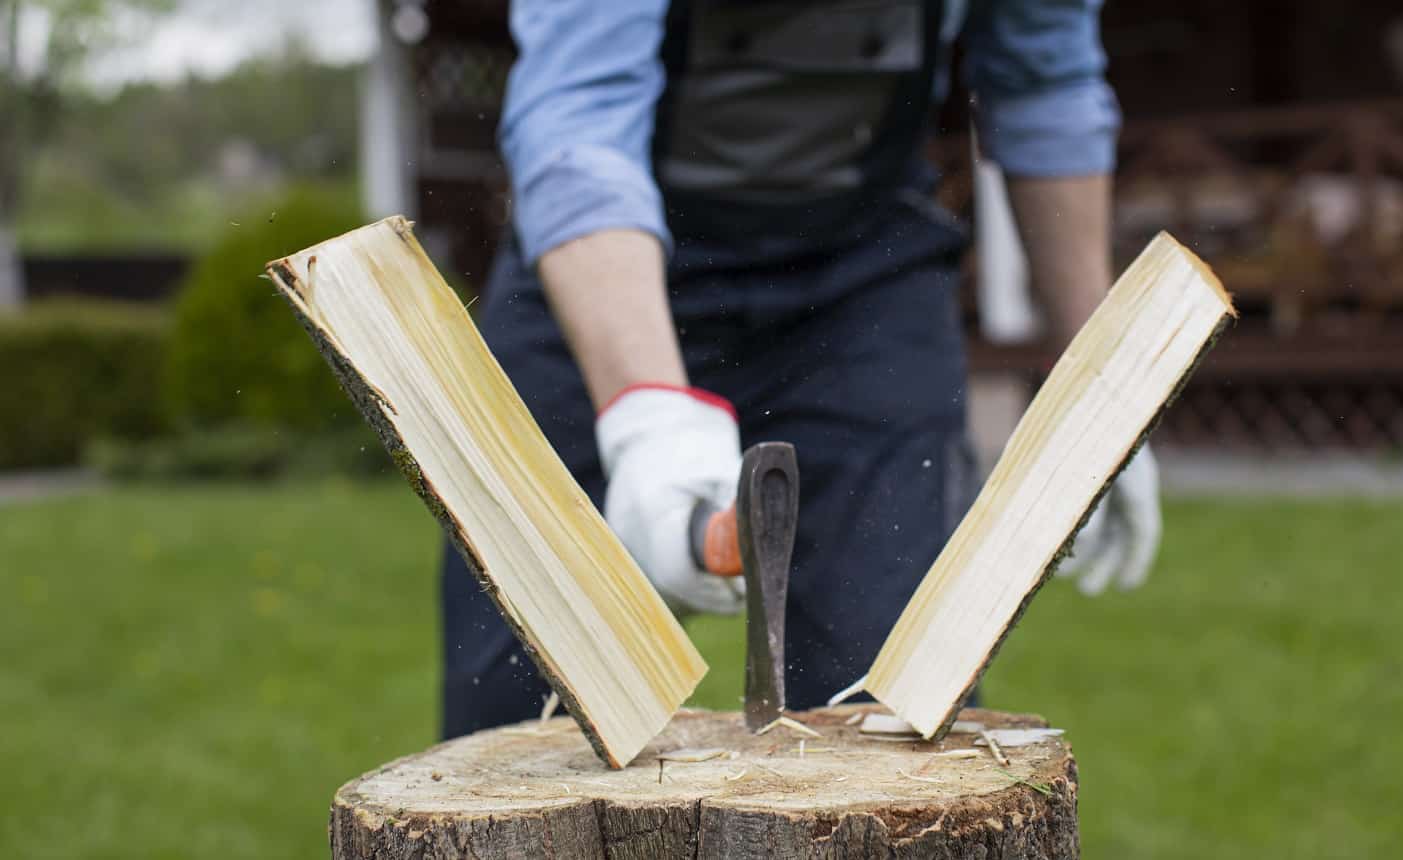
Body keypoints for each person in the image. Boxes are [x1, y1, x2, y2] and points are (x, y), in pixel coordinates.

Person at [441, 0, 1160, 738]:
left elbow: (1044, 82)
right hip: (598, 270)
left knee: (897, 697)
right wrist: (646, 412)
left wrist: (1097, 382)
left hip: (863, 276)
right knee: (519, 708)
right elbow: (577, 116)